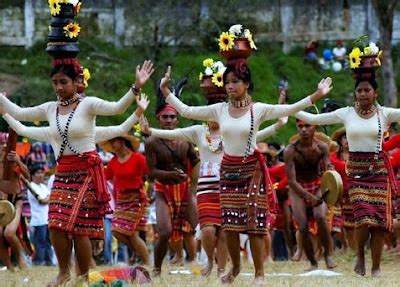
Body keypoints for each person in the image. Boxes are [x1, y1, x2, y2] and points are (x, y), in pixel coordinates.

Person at [158, 62, 332, 283]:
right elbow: (186, 111)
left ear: (246, 84)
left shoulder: (257, 109)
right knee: (229, 226)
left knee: (255, 225)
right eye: (227, 82)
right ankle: (236, 268)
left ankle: (260, 273)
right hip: (228, 170)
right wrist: (165, 91)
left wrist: (317, 95)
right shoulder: (219, 110)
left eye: (235, 82)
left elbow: (289, 109)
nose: (230, 86)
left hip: (252, 170)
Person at [0, 60, 153, 285]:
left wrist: (136, 87)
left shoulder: (88, 104)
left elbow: (117, 108)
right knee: (55, 223)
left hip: (87, 173)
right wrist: (3, 103)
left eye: (64, 82)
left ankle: (82, 276)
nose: (59, 87)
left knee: (78, 227)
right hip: (62, 173)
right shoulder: (50, 109)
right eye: (55, 83)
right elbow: (20, 115)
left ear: (76, 82)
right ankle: (64, 272)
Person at [294, 77, 400, 277]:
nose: (362, 94)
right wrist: (288, 108)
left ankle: (376, 266)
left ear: (375, 93)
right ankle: (359, 255)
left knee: (378, 223)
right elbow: (314, 119)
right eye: (359, 90)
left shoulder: (385, 113)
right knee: (362, 218)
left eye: (366, 90)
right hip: (357, 173)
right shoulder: (347, 114)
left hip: (378, 171)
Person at [144, 95, 200, 276]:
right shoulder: (151, 142)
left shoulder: (185, 139)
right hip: (163, 189)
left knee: (194, 227)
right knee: (165, 231)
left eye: (172, 117)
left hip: (185, 187)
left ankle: (197, 262)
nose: (169, 120)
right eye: (165, 117)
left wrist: (193, 187)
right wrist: (170, 175)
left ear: (178, 119)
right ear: (158, 119)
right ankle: (157, 268)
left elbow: (196, 160)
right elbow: (152, 173)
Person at [283, 120, 336, 270]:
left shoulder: (322, 147)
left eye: (307, 126)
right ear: (297, 128)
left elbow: (328, 168)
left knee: (321, 217)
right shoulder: (290, 150)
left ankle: (328, 255)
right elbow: (292, 182)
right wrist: (309, 196)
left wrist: (331, 173)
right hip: (298, 188)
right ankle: (313, 262)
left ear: (315, 128)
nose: (304, 130)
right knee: (303, 226)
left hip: (317, 184)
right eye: (300, 126)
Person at [101, 133, 149, 266]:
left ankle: (146, 264)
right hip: (121, 201)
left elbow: (149, 173)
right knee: (117, 231)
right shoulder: (113, 162)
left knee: (132, 233)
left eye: (113, 141)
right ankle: (140, 252)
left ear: (122, 141)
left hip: (137, 199)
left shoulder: (138, 158)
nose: (111, 145)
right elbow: (104, 176)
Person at [0, 132, 30, 270]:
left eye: (6, 144)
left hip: (15, 200)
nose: (4, 147)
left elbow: (28, 177)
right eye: (1, 144)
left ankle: (22, 260)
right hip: (1, 203)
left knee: (9, 233)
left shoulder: (13, 160)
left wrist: (18, 161)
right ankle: (9, 267)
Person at [330, 127, 355, 250]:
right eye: (345, 137)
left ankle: (353, 248)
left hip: (355, 193)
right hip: (338, 194)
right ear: (340, 140)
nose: (347, 140)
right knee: (336, 224)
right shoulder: (333, 156)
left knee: (352, 225)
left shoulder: (360, 155)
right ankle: (345, 245)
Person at [26, 164, 54, 266]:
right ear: (32, 175)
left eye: (42, 172)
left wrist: (48, 197)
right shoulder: (31, 186)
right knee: (40, 243)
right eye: (38, 172)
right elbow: (43, 201)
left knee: (48, 242)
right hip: (38, 221)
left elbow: (49, 198)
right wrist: (48, 197)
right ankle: (39, 263)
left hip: (47, 219)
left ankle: (49, 262)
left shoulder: (43, 186)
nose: (41, 175)